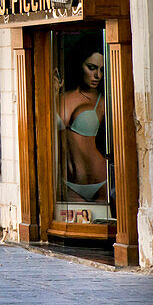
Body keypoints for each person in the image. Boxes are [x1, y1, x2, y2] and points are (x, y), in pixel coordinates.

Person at [58, 41, 108, 201]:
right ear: (79, 65)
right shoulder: (61, 97)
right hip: (68, 183)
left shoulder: (104, 101)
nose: (97, 76)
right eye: (92, 67)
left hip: (102, 181)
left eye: (101, 70)